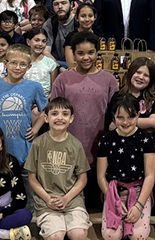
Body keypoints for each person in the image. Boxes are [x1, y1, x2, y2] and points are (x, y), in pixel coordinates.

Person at [0, 43, 49, 180]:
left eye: (23, 64)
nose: (18, 68)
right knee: (0, 190)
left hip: (23, 148)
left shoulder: (34, 87)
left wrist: (36, 128)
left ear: (29, 67)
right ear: (5, 63)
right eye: (13, 63)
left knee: (25, 190)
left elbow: (46, 110)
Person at [26, 98, 92, 240]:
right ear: (46, 118)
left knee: (79, 237)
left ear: (71, 119)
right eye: (54, 113)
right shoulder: (38, 144)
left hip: (72, 200)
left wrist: (66, 199)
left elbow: (82, 179)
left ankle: (67, 226)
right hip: (46, 201)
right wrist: (48, 199)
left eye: (65, 114)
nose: (60, 118)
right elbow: (32, 178)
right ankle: (57, 227)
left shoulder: (76, 145)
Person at [51, 33, 119, 169]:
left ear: (97, 53)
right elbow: (54, 114)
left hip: (100, 148)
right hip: (68, 148)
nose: (86, 57)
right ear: (74, 54)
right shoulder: (63, 79)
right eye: (80, 53)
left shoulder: (109, 80)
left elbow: (115, 113)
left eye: (91, 52)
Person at [97, 95, 155, 240]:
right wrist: (114, 201)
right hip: (114, 192)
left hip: (138, 192)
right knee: (111, 237)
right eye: (120, 117)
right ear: (113, 117)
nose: (125, 122)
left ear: (138, 114)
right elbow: (100, 177)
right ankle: (122, 226)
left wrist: (139, 205)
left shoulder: (146, 139)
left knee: (138, 237)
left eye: (130, 117)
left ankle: (134, 223)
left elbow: (150, 176)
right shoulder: (106, 140)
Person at [45, 0, 77, 66]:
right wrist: (58, 67)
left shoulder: (78, 21)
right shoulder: (49, 24)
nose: (60, 7)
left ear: (71, 4)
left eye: (63, 3)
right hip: (56, 62)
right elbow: (46, 52)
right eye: (56, 4)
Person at [24, 29, 59, 96]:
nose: (40, 44)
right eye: (37, 40)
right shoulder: (22, 61)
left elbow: (53, 91)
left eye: (43, 41)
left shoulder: (51, 63)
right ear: (28, 42)